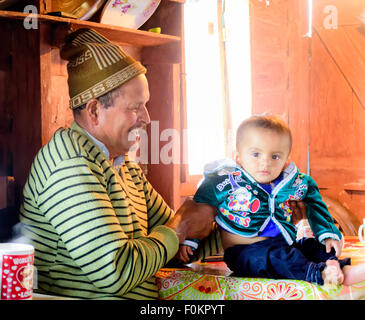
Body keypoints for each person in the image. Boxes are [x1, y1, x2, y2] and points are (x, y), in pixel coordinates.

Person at [19, 28, 221, 299]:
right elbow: (116, 272)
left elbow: (176, 242)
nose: (147, 118)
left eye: (145, 105)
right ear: (94, 111)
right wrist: (181, 227)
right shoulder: (69, 164)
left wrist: (250, 219)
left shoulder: (121, 163)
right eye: (135, 107)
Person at [178, 114, 365, 286]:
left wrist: (327, 233)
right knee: (278, 259)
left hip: (285, 243)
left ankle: (340, 268)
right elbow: (200, 206)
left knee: (312, 246)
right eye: (256, 154)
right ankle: (321, 274)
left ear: (285, 160)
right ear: (238, 157)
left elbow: (314, 200)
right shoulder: (226, 182)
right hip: (245, 252)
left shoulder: (293, 182)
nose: (266, 162)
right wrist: (190, 241)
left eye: (275, 156)